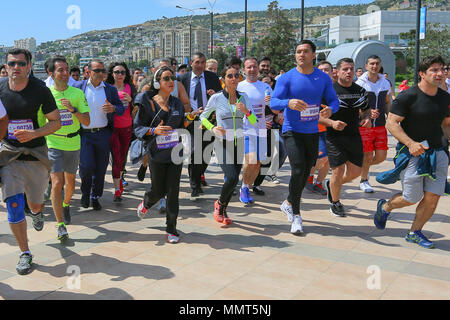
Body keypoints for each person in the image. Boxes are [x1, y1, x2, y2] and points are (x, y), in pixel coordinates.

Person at [375, 55, 449, 249]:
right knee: (411, 197)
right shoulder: (409, 95)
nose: (439, 73)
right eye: (434, 70)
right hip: (413, 154)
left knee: (432, 197)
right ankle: (386, 206)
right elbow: (392, 123)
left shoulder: (445, 98)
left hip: (438, 153)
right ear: (422, 74)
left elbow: (446, 124)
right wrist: (410, 143)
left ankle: (414, 232)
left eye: (442, 69)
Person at [0, 48, 61, 275]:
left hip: (35, 154)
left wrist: (34, 134)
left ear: (29, 66)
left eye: (21, 64)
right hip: (9, 154)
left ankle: (36, 212)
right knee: (14, 205)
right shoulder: (0, 88)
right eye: (11, 64)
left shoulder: (40, 90)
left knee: (35, 203)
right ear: (5, 66)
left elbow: (56, 122)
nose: (16, 68)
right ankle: (25, 253)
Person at [271, 40, 339, 235]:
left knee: (306, 170)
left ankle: (289, 202)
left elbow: (334, 100)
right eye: (298, 52)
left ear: (314, 55)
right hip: (291, 130)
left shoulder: (323, 78)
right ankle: (297, 216)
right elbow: (274, 103)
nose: (301, 55)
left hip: (312, 131)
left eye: (305, 51)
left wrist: (330, 110)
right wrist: (289, 102)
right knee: (298, 169)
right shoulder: (286, 78)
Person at [135, 66, 199, 243]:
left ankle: (171, 229)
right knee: (158, 190)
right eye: (166, 78)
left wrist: (191, 117)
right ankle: (147, 203)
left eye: (172, 78)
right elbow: (138, 127)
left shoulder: (177, 103)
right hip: (156, 154)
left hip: (175, 153)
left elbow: (181, 125)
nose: (171, 82)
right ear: (158, 83)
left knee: (173, 192)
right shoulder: (148, 103)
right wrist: (154, 130)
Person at [200, 65, 258, 225]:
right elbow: (203, 117)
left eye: (236, 76)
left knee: (233, 180)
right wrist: (212, 127)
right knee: (231, 177)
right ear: (223, 79)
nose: (233, 79)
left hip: (238, 141)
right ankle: (219, 204)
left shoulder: (244, 97)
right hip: (222, 142)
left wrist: (246, 111)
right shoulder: (217, 98)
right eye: (230, 76)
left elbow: (254, 121)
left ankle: (222, 208)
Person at [320, 58, 371, 217]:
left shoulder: (360, 91)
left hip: (354, 135)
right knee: (338, 169)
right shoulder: (329, 91)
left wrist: (367, 118)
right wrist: (332, 122)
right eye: (345, 69)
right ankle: (335, 202)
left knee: (356, 172)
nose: (349, 72)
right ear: (337, 72)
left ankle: (332, 185)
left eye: (351, 69)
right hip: (334, 136)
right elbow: (316, 116)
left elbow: (366, 110)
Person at [73, 59, 124, 210]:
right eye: (97, 71)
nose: (101, 74)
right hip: (84, 134)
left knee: (101, 168)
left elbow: (121, 109)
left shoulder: (109, 89)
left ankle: (95, 196)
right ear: (88, 71)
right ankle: (85, 193)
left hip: (103, 133)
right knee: (86, 167)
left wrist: (113, 108)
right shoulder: (78, 87)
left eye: (103, 71)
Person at [47, 56, 90, 234]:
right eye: (60, 70)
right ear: (51, 73)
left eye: (66, 70)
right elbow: (42, 123)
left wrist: (73, 110)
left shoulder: (77, 93)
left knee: (70, 183)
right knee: (57, 183)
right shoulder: (47, 94)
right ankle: (60, 225)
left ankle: (66, 204)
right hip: (53, 141)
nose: (65, 74)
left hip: (73, 142)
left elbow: (87, 121)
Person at [178, 52, 222, 199]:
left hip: (208, 119)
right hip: (191, 119)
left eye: (203, 62)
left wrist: (214, 94)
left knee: (207, 152)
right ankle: (195, 184)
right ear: (191, 63)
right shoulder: (183, 78)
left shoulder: (212, 77)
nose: (200, 65)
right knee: (195, 151)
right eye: (197, 62)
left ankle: (199, 174)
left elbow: (221, 95)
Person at [237, 57, 272, 203]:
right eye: (249, 67)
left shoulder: (265, 87)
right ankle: (244, 188)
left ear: (258, 69)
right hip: (246, 129)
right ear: (243, 70)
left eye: (254, 67)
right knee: (251, 160)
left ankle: (246, 186)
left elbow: (274, 109)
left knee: (258, 163)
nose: (252, 70)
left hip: (261, 129)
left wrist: (271, 104)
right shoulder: (239, 86)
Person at [356, 55, 392, 193]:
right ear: (366, 66)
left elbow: (387, 101)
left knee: (381, 157)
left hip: (381, 125)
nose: (374, 66)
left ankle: (363, 169)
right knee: (368, 155)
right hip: (365, 125)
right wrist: (366, 114)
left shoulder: (385, 82)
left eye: (377, 63)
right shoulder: (360, 83)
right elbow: (356, 105)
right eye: (371, 63)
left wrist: (390, 117)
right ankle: (364, 180)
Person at [105, 62, 137, 202]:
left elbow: (138, 104)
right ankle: (117, 189)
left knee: (123, 158)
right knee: (116, 157)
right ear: (112, 73)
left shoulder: (130, 87)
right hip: (113, 128)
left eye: (122, 72)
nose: (119, 75)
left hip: (127, 127)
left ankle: (119, 181)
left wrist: (131, 100)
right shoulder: (108, 88)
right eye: (117, 72)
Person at [306, 60, 333, 196]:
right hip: (316, 129)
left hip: (333, 130)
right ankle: (309, 177)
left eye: (326, 69)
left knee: (329, 159)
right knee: (322, 158)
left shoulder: (336, 88)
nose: (324, 72)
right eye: (321, 70)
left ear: (332, 72)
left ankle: (318, 183)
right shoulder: (312, 87)